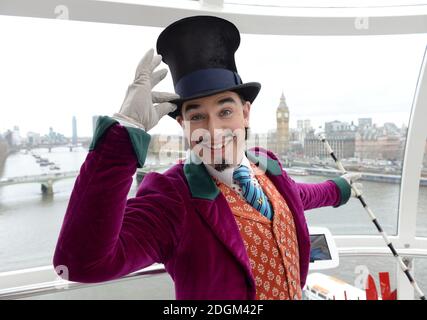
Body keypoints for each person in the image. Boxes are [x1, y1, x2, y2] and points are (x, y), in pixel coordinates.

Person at [53, 15, 361, 300]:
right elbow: (82, 263)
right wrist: (125, 132)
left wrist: (341, 188)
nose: (213, 130)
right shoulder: (171, 198)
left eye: (225, 111)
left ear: (245, 112)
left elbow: (298, 195)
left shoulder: (266, 165)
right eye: (197, 116)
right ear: (183, 125)